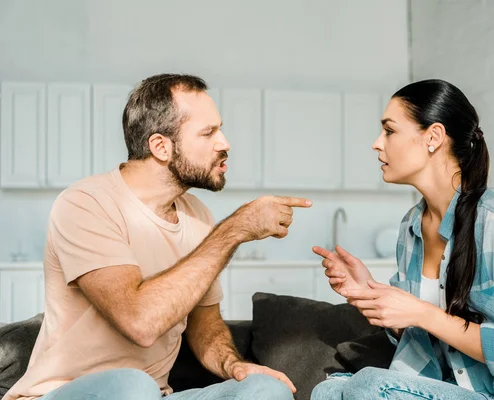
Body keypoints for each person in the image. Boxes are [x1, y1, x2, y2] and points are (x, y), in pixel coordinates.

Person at [3, 73, 312, 400]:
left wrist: (234, 366)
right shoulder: (86, 204)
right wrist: (234, 229)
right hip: (62, 394)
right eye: (208, 133)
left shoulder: (198, 216)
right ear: (161, 146)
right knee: (132, 385)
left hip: (156, 395)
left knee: (266, 390)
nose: (224, 143)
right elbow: (140, 323)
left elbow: (204, 324)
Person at [311, 79, 494, 400]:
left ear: (433, 137)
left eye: (389, 131)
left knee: (369, 386)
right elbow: (419, 335)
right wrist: (372, 295)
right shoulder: (411, 227)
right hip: (446, 389)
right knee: (329, 390)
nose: (377, 143)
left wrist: (421, 312)